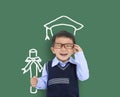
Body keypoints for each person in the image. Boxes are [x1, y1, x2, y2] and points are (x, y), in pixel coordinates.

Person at [30, 30, 89, 97]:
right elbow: (45, 82)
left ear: (73, 49)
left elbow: (84, 76)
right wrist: (37, 82)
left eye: (68, 45)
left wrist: (79, 54)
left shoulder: (77, 65)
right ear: (53, 50)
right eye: (59, 45)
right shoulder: (47, 65)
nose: (63, 49)